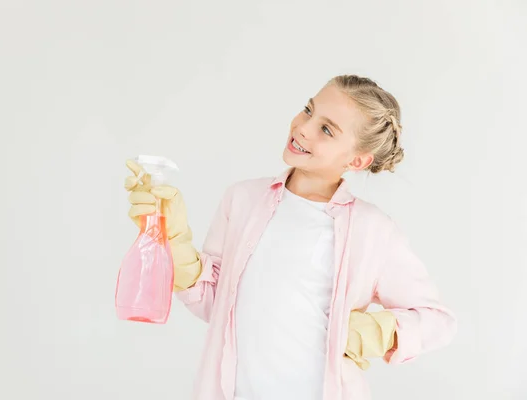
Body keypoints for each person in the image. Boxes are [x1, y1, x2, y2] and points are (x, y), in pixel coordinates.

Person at [124, 75, 457, 400]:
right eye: (308, 110)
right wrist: (174, 241)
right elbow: (216, 302)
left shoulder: (373, 231)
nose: (303, 128)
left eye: (326, 129)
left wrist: (368, 334)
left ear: (357, 160)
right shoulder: (242, 199)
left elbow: (437, 321)